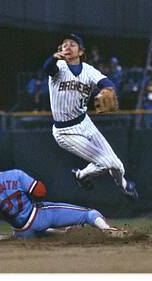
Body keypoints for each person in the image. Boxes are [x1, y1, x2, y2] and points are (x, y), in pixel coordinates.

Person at [42, 33, 138, 199]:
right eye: (64, 44)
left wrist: (107, 90)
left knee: (117, 166)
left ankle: (122, 186)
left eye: (72, 44)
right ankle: (81, 175)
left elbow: (107, 83)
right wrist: (52, 57)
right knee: (107, 162)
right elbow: (47, 68)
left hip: (85, 122)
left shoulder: (88, 70)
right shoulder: (58, 67)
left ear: (80, 52)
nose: (67, 47)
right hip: (65, 131)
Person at [0, 149, 126, 244]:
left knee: (46, 232)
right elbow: (40, 191)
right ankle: (108, 230)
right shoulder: (16, 174)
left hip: (23, 232)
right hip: (39, 217)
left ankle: (65, 233)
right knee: (89, 213)